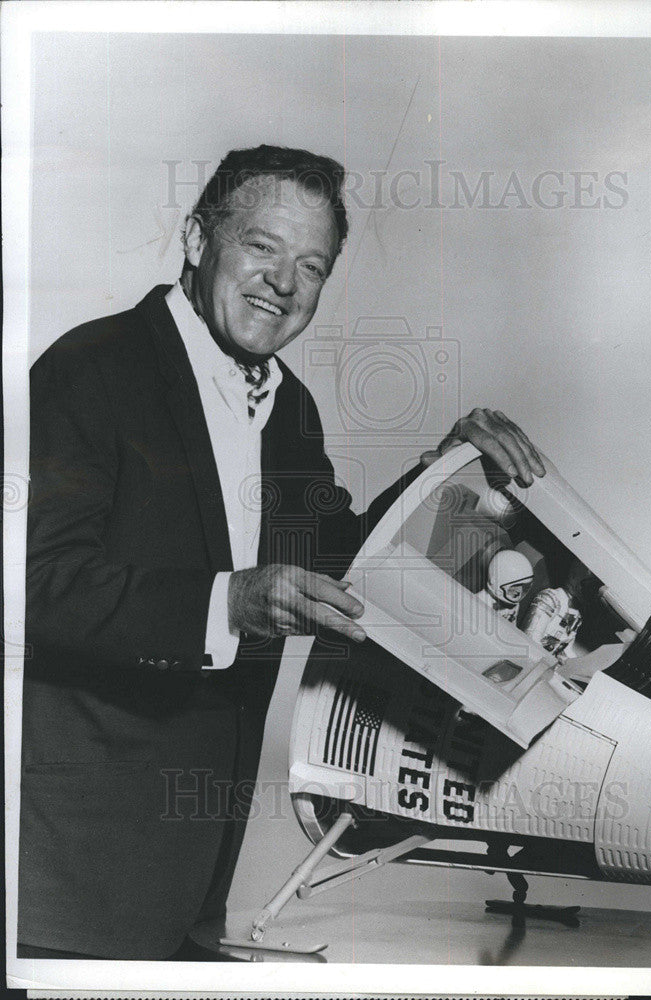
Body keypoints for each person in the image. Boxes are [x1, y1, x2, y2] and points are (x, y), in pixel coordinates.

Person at [19, 145, 546, 960]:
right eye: (261, 247)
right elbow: (36, 588)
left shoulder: (288, 404)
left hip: (201, 863)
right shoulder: (88, 369)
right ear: (198, 239)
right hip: (76, 868)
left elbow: (332, 559)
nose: (284, 284)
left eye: (312, 266)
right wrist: (225, 602)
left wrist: (445, 472)